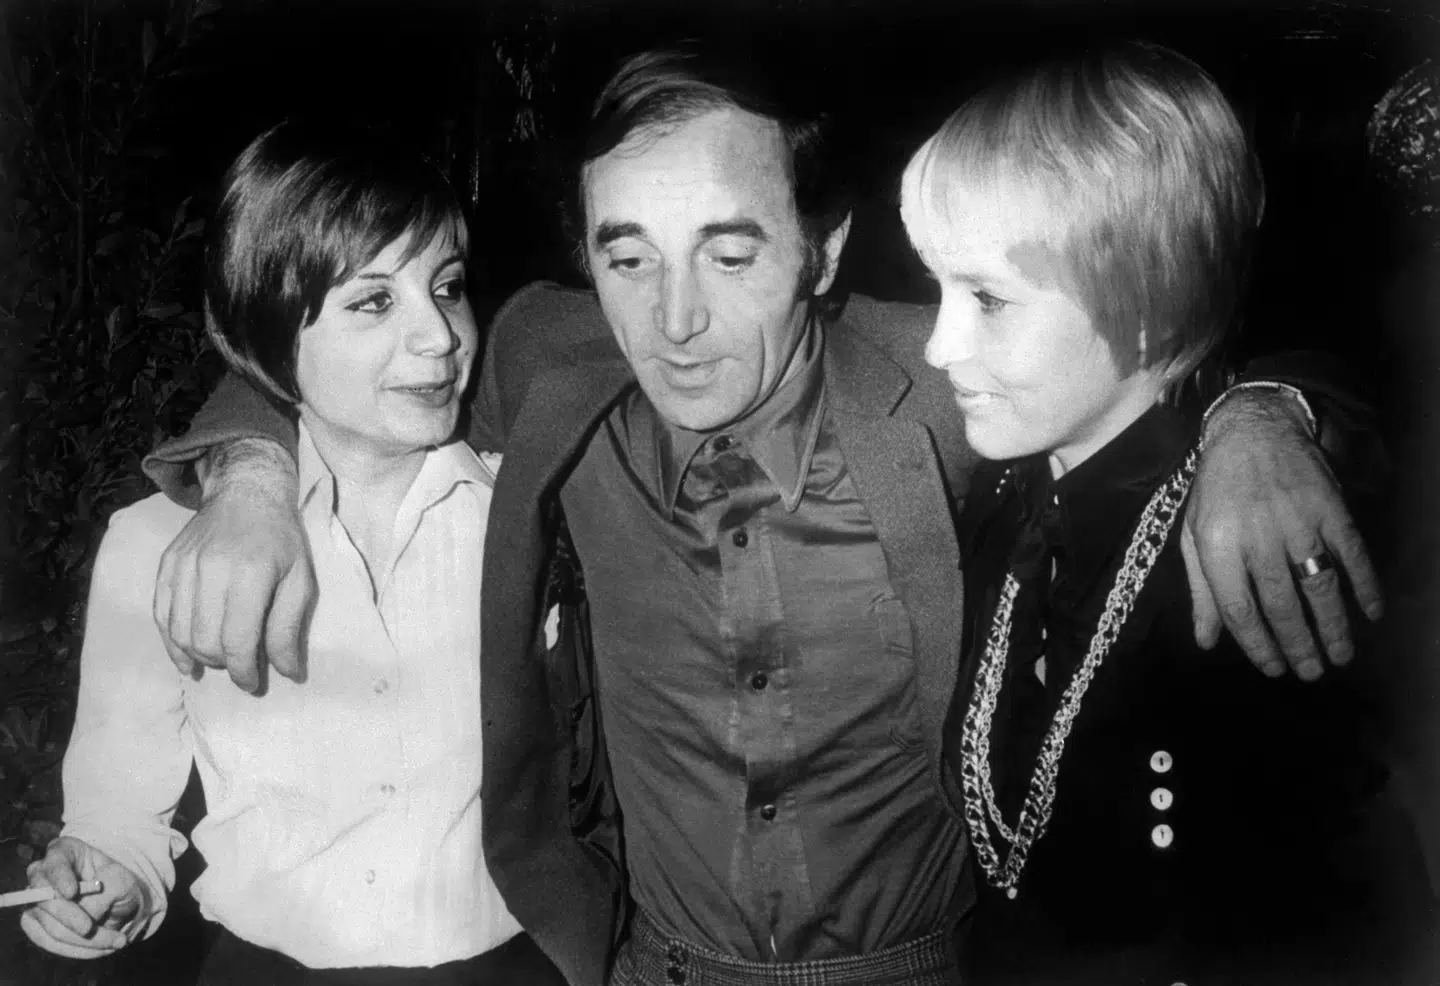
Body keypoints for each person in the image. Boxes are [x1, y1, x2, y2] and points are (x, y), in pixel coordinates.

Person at [140, 44, 1380, 986]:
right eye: (628, 257)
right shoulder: (549, 364)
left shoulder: (948, 385)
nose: (673, 319)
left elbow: (1146, 323)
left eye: (730, 256)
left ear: (823, 251)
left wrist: (1262, 414)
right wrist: (249, 477)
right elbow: (319, 346)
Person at [901, 41, 1433, 984]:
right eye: (937, 286)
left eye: (986, 298)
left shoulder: (1246, 552)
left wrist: (1281, 407)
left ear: (1145, 307)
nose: (939, 345)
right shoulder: (1008, 485)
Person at [20, 121, 567, 985]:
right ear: (269, 335)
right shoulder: (158, 545)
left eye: (448, 286)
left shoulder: (531, 506)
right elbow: (119, 807)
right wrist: (107, 878)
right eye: (373, 302)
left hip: (515, 965)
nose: (439, 337)